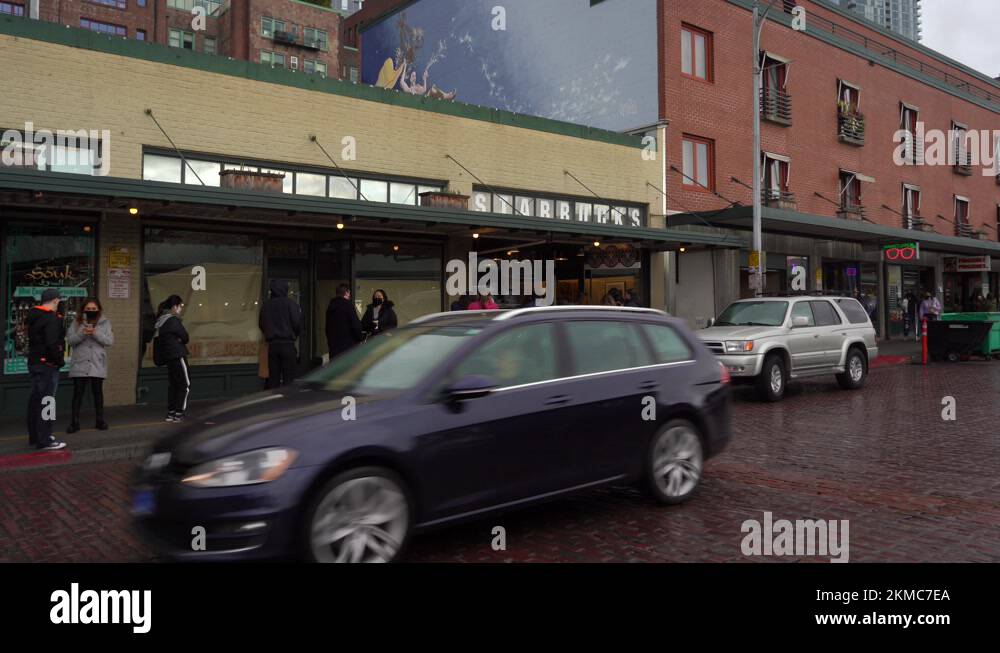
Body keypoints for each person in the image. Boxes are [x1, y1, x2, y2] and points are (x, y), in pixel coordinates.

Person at [27, 288, 67, 451]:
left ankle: (36, 436)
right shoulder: (51, 318)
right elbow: (52, 344)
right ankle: (45, 440)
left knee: (36, 401)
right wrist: (59, 361)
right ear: (56, 300)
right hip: (48, 366)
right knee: (47, 403)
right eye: (59, 301)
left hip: (35, 363)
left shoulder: (34, 316)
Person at [66, 297, 113, 433]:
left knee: (97, 392)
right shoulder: (76, 322)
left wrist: (95, 332)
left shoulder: (105, 323)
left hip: (97, 361)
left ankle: (100, 420)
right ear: (83, 310)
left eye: (93, 309)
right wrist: (82, 332)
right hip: (80, 361)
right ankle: (74, 422)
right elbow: (70, 340)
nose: (91, 311)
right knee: (78, 393)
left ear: (98, 310)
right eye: (88, 309)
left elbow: (109, 341)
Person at [259, 280, 303, 389]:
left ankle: (273, 402)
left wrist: (269, 333)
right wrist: (294, 335)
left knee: (273, 379)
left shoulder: (266, 306)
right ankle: (287, 403)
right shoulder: (291, 304)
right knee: (289, 379)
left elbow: (261, 324)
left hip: (272, 345)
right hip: (288, 344)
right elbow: (297, 323)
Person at [153, 295, 190, 423]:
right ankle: (179, 413)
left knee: (173, 385)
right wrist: (179, 339)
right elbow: (185, 337)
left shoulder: (160, 321)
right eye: (180, 306)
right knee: (184, 385)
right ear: (175, 307)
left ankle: (171, 412)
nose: (180, 309)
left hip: (168, 357)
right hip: (178, 355)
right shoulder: (173, 320)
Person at [326, 283, 363, 359]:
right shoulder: (348, 305)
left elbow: (327, 328)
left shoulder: (331, 307)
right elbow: (356, 325)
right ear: (347, 292)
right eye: (349, 293)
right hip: (347, 348)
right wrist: (361, 337)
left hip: (334, 348)